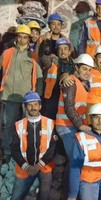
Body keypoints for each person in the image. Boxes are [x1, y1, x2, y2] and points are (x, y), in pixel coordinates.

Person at [0, 24, 43, 163]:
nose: (22, 40)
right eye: (20, 36)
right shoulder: (7, 53)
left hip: (27, 98)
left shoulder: (33, 55)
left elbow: (39, 77)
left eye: (25, 37)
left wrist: (38, 96)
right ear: (16, 37)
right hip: (9, 95)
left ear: (29, 39)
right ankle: (6, 153)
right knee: (8, 125)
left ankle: (26, 152)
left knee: (27, 126)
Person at [11, 91, 56, 200]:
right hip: (24, 168)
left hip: (44, 167)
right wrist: (27, 167)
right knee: (16, 197)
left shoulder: (50, 123)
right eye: (30, 105)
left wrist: (38, 166)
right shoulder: (18, 125)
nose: (33, 107)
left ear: (40, 106)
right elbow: (14, 149)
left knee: (44, 197)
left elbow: (53, 149)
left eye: (35, 104)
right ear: (25, 107)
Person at [55, 53, 95, 159]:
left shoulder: (83, 84)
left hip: (73, 125)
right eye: (84, 69)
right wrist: (80, 125)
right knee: (75, 159)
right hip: (66, 126)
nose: (87, 72)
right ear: (77, 68)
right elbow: (69, 107)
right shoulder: (71, 83)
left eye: (90, 70)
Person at [42, 37, 76, 120]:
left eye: (65, 49)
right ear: (57, 51)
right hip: (53, 97)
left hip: (69, 97)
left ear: (69, 51)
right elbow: (44, 58)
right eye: (60, 49)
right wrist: (44, 42)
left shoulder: (75, 65)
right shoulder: (52, 61)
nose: (63, 51)